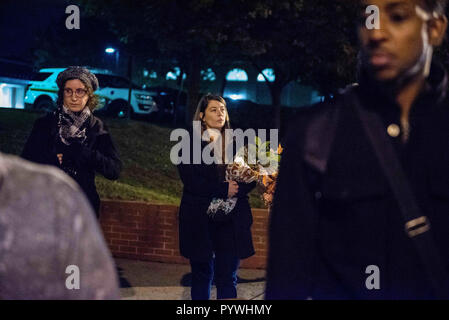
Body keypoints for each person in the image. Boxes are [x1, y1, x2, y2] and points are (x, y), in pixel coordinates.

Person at [266, 0, 449, 299]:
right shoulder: (314, 134)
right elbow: (287, 278)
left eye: (398, 16)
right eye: (368, 18)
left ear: (435, 28)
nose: (376, 32)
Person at [0, 152, 120, 299]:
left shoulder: (54, 188)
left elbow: (113, 169)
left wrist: (84, 152)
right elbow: (31, 153)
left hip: (70, 205)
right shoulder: (46, 133)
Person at [177, 93, 256, 300]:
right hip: (201, 216)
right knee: (202, 274)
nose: (220, 113)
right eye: (213, 109)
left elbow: (252, 175)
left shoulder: (238, 140)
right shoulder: (189, 141)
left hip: (231, 219)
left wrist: (239, 187)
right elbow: (191, 180)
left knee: (228, 276)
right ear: (202, 116)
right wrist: (222, 189)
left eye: (222, 109)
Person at [22, 66, 122, 218]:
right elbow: (26, 163)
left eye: (80, 91)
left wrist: (84, 153)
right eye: (68, 91)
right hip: (48, 205)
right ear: (62, 94)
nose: (74, 97)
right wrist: (53, 160)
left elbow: (113, 169)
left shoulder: (97, 127)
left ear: (89, 95)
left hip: (83, 208)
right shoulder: (45, 124)